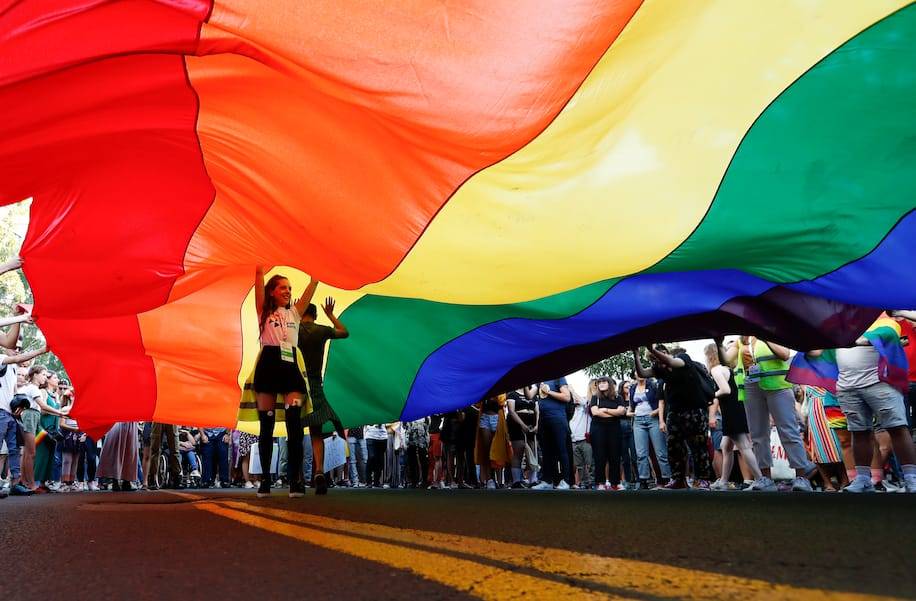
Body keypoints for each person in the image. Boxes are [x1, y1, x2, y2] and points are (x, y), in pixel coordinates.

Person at [808, 322, 916, 493]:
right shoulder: (838, 327)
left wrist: (852, 340)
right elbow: (816, 352)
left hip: (880, 385)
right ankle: (864, 479)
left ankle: (911, 479)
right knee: (858, 432)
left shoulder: (884, 321)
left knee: (897, 428)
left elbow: (886, 336)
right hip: (847, 386)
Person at [251, 266, 318, 498]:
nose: (288, 291)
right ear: (272, 292)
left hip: (291, 370)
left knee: (294, 424)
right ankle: (265, 480)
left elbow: (310, 291)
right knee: (266, 426)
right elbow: (259, 278)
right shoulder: (262, 311)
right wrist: (259, 270)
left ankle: (295, 480)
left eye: (290, 288)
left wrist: (316, 276)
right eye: (283, 287)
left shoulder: (295, 313)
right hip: (267, 367)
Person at [724, 337, 817, 492]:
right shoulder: (741, 339)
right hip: (751, 387)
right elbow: (726, 360)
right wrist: (719, 343)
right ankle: (765, 478)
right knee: (757, 434)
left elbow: (785, 354)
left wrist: (763, 335)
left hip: (778, 386)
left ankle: (801, 477)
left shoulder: (771, 333)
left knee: (788, 431)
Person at [634, 346, 715, 490]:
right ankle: (679, 479)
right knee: (673, 447)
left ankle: (703, 479)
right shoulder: (659, 369)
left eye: (658, 356)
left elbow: (672, 362)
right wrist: (636, 354)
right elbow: (642, 372)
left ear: (666, 353)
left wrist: (652, 350)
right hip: (675, 412)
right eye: (652, 359)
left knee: (698, 447)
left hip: (694, 410)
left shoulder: (683, 358)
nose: (656, 360)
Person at [298, 297, 349, 494]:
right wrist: (331, 315)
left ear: (301, 312)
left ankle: (297, 477)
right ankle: (319, 471)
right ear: (315, 315)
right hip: (316, 385)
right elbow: (345, 332)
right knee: (316, 432)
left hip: (297, 384)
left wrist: (291, 310)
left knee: (295, 432)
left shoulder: (294, 330)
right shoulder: (321, 330)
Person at [707, 341, 772, 491]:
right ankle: (723, 481)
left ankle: (760, 479)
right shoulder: (726, 368)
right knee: (726, 446)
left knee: (743, 445)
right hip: (735, 408)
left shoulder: (716, 369)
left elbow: (725, 389)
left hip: (731, 411)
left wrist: (709, 395)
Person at [0, 343, 49, 497]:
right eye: (14, 346)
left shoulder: (14, 368)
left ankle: (16, 484)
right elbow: (21, 358)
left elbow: (13, 391)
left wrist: (17, 407)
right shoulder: (2, 359)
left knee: (14, 451)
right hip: (0, 412)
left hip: (10, 414)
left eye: (20, 348)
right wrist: (42, 350)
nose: (17, 350)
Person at [628, 373, 670, 488]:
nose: (640, 374)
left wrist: (655, 413)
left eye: (641, 371)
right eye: (637, 372)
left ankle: (667, 478)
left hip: (653, 419)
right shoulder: (632, 388)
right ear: (634, 375)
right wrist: (630, 413)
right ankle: (643, 480)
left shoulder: (653, 385)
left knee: (660, 451)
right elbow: (631, 406)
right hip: (638, 421)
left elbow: (662, 402)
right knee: (641, 453)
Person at [531, 377, 572, 490]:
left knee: (561, 450)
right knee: (546, 451)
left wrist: (548, 391)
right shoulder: (539, 380)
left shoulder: (559, 377)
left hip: (557, 418)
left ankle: (566, 481)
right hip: (543, 420)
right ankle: (548, 481)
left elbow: (567, 397)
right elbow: (529, 395)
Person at [589, 377, 625, 490]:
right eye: (599, 382)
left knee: (614, 455)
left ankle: (616, 482)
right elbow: (595, 412)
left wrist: (605, 410)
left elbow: (622, 411)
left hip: (614, 429)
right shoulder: (595, 397)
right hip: (598, 429)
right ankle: (600, 482)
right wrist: (614, 414)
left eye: (604, 382)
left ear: (609, 384)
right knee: (600, 456)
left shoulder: (618, 397)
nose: (601, 384)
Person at [506, 386, 538, 488]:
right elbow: (511, 411)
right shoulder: (512, 394)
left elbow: (537, 411)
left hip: (531, 425)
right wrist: (522, 425)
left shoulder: (533, 394)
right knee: (518, 451)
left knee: (533, 451)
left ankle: (532, 480)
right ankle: (516, 481)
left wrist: (537, 425)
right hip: (517, 425)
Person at [97, 421, 139, 491]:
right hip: (118, 420)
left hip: (130, 422)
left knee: (129, 452)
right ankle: (115, 480)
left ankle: (126, 481)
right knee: (116, 451)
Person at [569, 386, 593, 489]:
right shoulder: (569, 409)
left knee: (589, 463)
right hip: (573, 440)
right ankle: (583, 482)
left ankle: (592, 482)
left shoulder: (585, 408)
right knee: (579, 465)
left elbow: (584, 402)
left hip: (585, 439)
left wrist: (572, 391)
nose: (575, 399)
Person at [364, 423, 388, 488]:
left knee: (380, 460)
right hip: (370, 436)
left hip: (383, 437)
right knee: (371, 457)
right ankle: (368, 481)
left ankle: (376, 482)